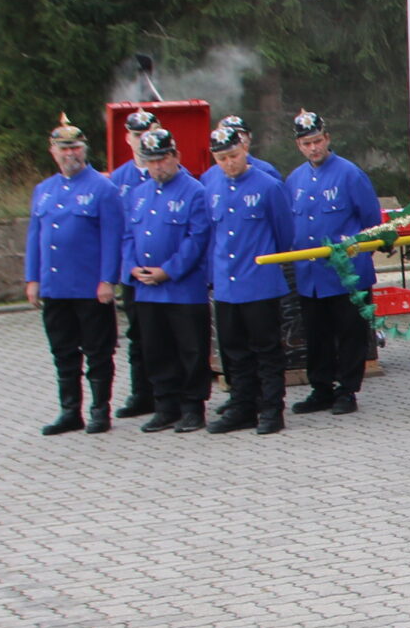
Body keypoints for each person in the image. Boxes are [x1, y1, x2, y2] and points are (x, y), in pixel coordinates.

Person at [24, 116, 125, 435]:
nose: (70, 154)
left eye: (76, 148)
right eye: (64, 149)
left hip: (90, 287)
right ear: (53, 152)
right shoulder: (44, 190)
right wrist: (33, 279)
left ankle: (99, 410)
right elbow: (35, 237)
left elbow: (113, 237)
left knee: (98, 352)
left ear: (84, 150)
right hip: (55, 286)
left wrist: (108, 279)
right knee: (63, 352)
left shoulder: (103, 188)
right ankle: (70, 410)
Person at [283, 110, 384, 416]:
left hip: (347, 273)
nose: (313, 148)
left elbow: (371, 221)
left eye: (317, 141)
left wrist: (358, 253)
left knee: (350, 334)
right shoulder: (295, 179)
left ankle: (347, 390)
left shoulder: (350, 174)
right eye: (306, 143)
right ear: (298, 146)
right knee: (317, 334)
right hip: (311, 274)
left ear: (327, 138)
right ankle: (321, 388)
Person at [202, 121, 296, 434]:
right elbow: (212, 235)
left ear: (244, 149)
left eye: (233, 155)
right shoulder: (211, 186)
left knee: (266, 350)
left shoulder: (268, 185)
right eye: (222, 158)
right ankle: (242, 406)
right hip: (226, 284)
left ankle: (271, 409)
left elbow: (284, 234)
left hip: (259, 282)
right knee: (234, 351)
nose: (229, 163)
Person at [120, 126, 215, 432]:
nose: (157, 166)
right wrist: (132, 267)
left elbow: (196, 239)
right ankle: (165, 405)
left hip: (182, 289)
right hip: (146, 289)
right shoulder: (138, 194)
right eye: (151, 161)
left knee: (190, 350)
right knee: (156, 349)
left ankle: (192, 407)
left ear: (176, 156)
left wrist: (169, 271)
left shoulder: (194, 191)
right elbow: (127, 235)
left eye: (162, 159)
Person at [109, 108, 160, 417]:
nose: (143, 140)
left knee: (167, 335)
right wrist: (128, 266)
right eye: (137, 135)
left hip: (165, 272)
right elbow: (117, 230)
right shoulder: (118, 180)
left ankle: (172, 394)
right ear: (127, 138)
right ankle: (142, 394)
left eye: (148, 133)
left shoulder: (171, 172)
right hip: (134, 274)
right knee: (137, 336)